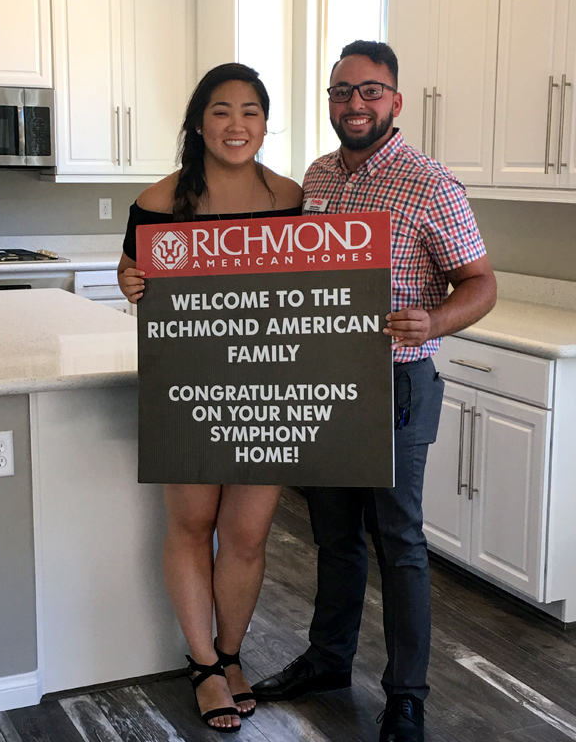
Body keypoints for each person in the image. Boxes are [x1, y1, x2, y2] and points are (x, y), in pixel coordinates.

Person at [250, 41, 496, 742]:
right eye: (340, 92)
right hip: (327, 377)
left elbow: (481, 283)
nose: (353, 105)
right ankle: (328, 660)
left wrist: (436, 316)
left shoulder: (431, 184)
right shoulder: (318, 176)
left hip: (397, 381)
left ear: (394, 98)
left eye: (368, 91)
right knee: (334, 536)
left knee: (400, 542)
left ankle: (407, 696)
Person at [117, 63, 303, 733]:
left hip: (270, 385)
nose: (236, 124)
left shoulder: (289, 197)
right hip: (187, 385)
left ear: (263, 121)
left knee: (248, 535)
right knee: (192, 526)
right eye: (222, 110)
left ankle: (232, 655)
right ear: (199, 122)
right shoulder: (162, 200)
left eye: (250, 111)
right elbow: (130, 268)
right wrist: (132, 280)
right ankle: (202, 666)